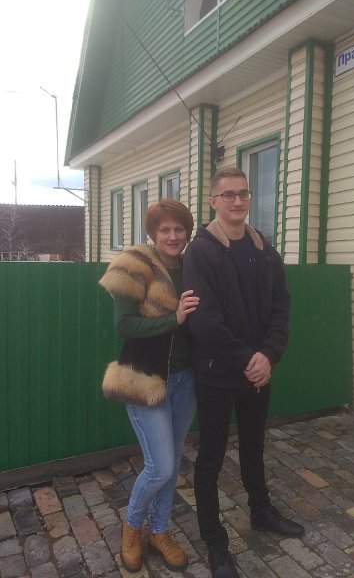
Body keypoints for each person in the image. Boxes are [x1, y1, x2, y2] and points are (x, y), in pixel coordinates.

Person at [183, 167, 304, 578]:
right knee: (210, 459)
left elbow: (281, 309)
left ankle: (260, 511)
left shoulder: (264, 249)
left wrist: (268, 356)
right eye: (228, 195)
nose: (237, 201)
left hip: (257, 373)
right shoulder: (201, 252)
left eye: (243, 194)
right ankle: (216, 544)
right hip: (218, 374)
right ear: (213, 201)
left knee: (254, 446)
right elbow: (204, 322)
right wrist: (249, 360)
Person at [99, 199, 199, 573]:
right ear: (153, 233)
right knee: (160, 467)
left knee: (172, 463)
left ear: (187, 232)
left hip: (186, 380)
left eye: (179, 229)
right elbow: (123, 325)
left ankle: (159, 531)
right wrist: (174, 319)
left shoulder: (193, 266)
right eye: (164, 229)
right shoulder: (135, 265)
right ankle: (132, 528)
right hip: (145, 381)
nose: (173, 236)